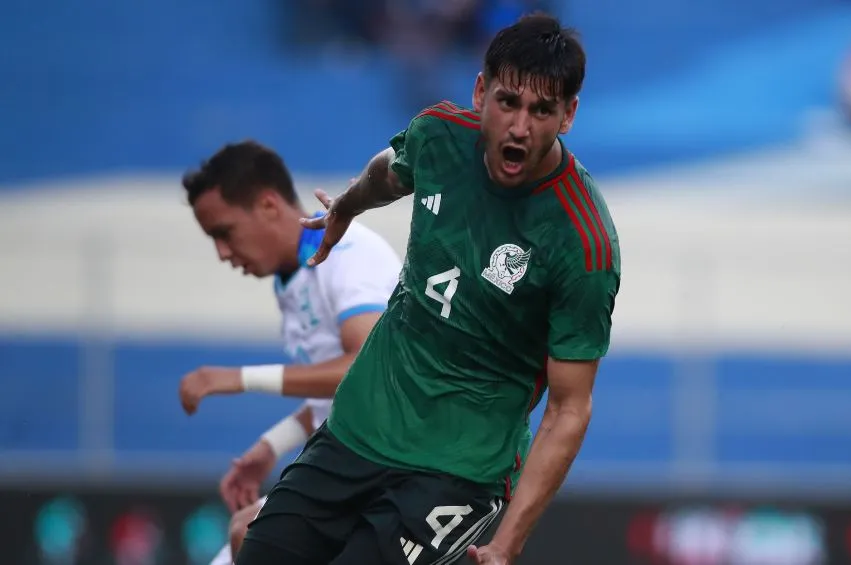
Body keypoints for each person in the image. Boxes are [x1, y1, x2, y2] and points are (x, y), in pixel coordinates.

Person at [236, 13, 620, 565]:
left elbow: (569, 408)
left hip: (457, 472)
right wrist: (348, 206)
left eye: (542, 111)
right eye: (508, 101)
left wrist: (507, 544)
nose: (520, 127)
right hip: (358, 431)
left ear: (569, 116)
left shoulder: (582, 243)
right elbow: (389, 171)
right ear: (480, 91)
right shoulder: (440, 136)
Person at [175, 140, 402, 564]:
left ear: (267, 205)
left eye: (224, 233)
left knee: (248, 532)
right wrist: (270, 445)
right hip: (354, 465)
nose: (222, 253)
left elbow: (367, 367)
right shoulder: (293, 280)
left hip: (390, 477)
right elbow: (338, 397)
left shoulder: (347, 252)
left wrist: (234, 379)